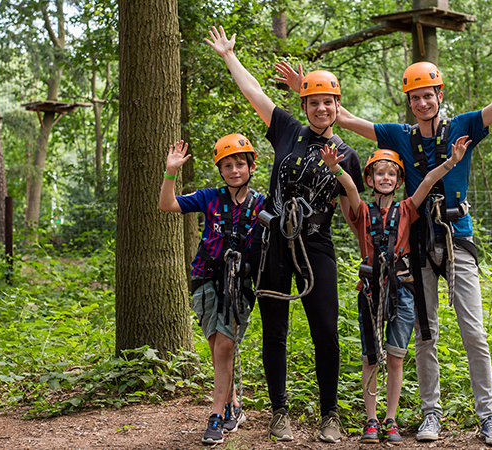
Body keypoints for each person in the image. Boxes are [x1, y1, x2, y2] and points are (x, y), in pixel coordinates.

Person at [277, 33, 492, 447]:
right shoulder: (398, 136)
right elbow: (344, 119)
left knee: (474, 331)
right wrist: (306, 90)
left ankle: (489, 417)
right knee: (426, 332)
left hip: (456, 240)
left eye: (427, 96)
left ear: (439, 94)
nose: (422, 103)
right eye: (415, 97)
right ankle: (431, 413)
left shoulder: (463, 126)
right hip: (416, 247)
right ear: (409, 101)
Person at [205, 26, 364, 443]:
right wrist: (228, 56)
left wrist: (342, 177)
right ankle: (280, 413)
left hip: (316, 244)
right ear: (304, 104)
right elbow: (255, 92)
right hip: (274, 241)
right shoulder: (287, 130)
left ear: (337, 104)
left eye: (327, 103)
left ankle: (330, 415)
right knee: (276, 331)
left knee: (326, 331)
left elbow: (354, 211)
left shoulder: (348, 154)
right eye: (313, 103)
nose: (320, 109)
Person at [321, 138, 467, 445]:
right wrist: (335, 167)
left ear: (399, 180)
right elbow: (348, 186)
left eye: (391, 173)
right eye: (379, 173)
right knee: (371, 358)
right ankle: (371, 421)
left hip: (401, 289)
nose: (385, 178)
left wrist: (451, 162)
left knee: (396, 357)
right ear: (370, 180)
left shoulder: (407, 209)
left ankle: (391, 419)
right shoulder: (361, 211)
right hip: (371, 290)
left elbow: (427, 181)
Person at [159, 134, 265, 445]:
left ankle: (216, 415)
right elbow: (167, 205)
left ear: (251, 166)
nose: (235, 170)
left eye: (240, 164)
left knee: (225, 347)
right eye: (228, 165)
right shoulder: (209, 197)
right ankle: (233, 405)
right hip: (204, 278)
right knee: (216, 345)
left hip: (239, 284)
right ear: (220, 170)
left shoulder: (261, 204)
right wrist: (171, 172)